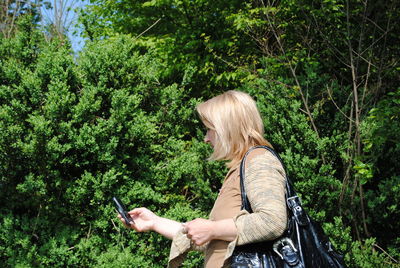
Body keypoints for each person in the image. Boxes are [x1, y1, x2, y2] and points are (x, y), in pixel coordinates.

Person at [118, 90, 287, 267]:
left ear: (227, 127)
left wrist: (212, 229)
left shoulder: (259, 161)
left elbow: (272, 221)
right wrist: (154, 222)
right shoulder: (241, 168)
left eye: (209, 129)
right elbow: (220, 239)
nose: (206, 139)